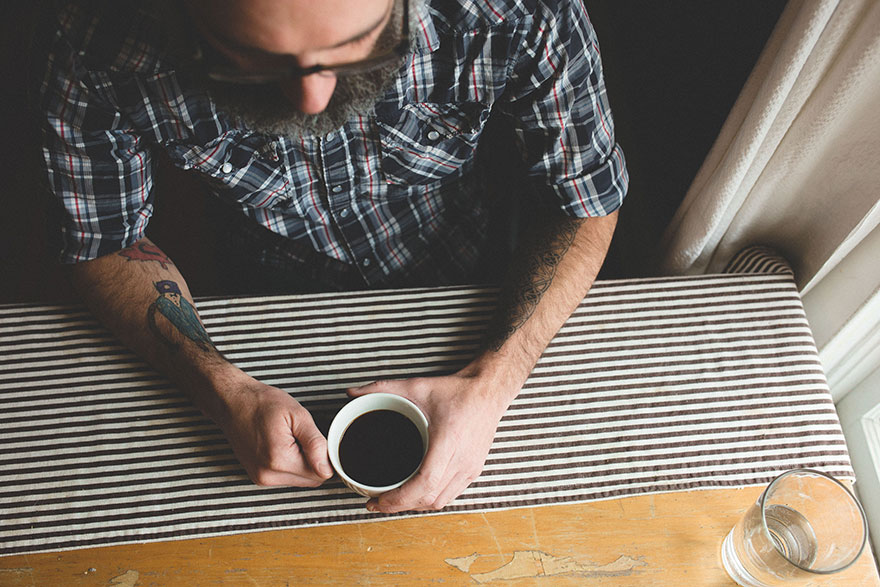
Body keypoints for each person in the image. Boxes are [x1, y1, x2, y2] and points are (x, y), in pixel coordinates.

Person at [36, 0, 628, 513]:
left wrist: (493, 384)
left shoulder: (517, 11)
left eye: (354, 49)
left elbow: (584, 199)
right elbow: (103, 241)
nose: (312, 98)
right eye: (255, 60)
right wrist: (221, 388)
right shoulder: (103, 42)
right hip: (258, 289)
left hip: (473, 274)